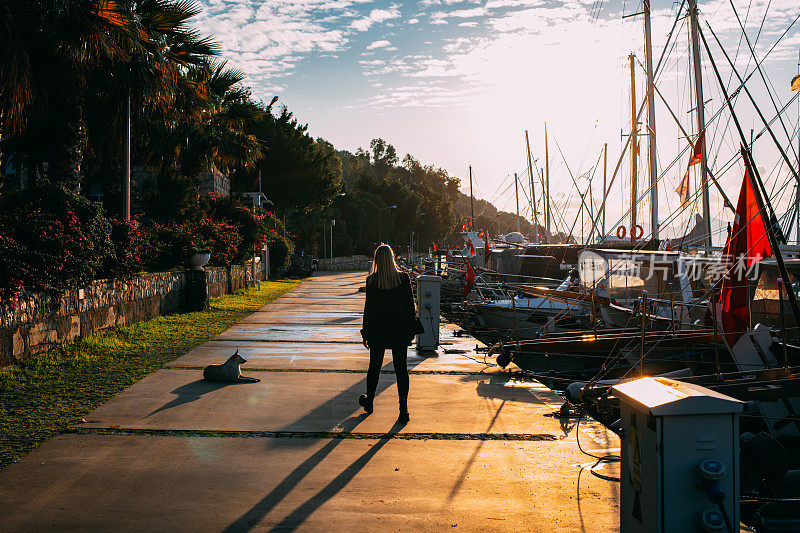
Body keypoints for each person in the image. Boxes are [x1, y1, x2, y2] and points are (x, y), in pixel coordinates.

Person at [359, 244, 417, 423]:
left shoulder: (372, 281)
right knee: (401, 370)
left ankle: (369, 401)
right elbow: (410, 306)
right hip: (399, 331)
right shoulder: (403, 279)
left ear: (377, 260)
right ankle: (403, 410)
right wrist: (412, 329)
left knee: (374, 367)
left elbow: (368, 310)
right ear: (392, 259)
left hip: (378, 331)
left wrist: (365, 333)